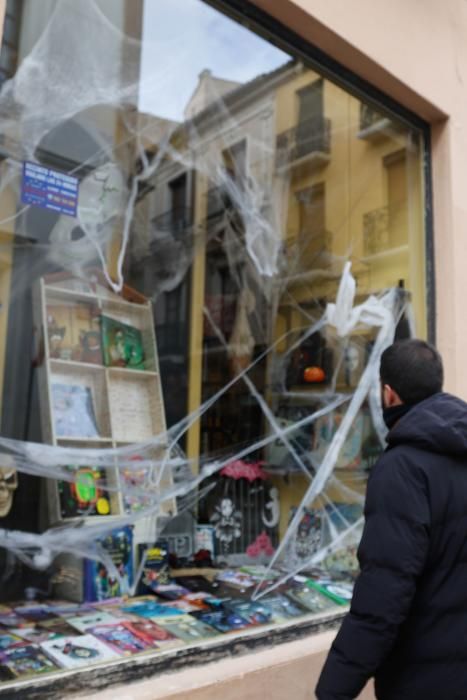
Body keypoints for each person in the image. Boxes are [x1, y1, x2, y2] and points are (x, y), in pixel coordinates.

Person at [316, 338, 467, 700]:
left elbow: (383, 595)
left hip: (425, 681)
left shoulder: (402, 468)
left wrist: (333, 689)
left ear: (388, 394)